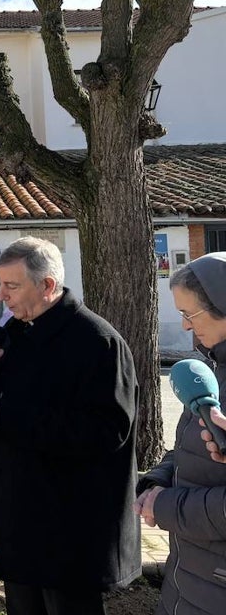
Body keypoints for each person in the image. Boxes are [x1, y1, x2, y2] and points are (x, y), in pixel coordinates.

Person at [0, 237, 140, 615]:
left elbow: (107, 431)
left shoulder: (98, 341)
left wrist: (4, 414)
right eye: (0, 285)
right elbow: (13, 401)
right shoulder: (17, 334)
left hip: (70, 528)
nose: (1, 296)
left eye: (11, 286)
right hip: (21, 517)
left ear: (47, 285)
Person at [135, 253, 226, 615]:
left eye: (190, 314)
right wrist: (159, 478)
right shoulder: (210, 371)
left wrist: (167, 506)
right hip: (188, 576)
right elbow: (190, 449)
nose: (186, 327)